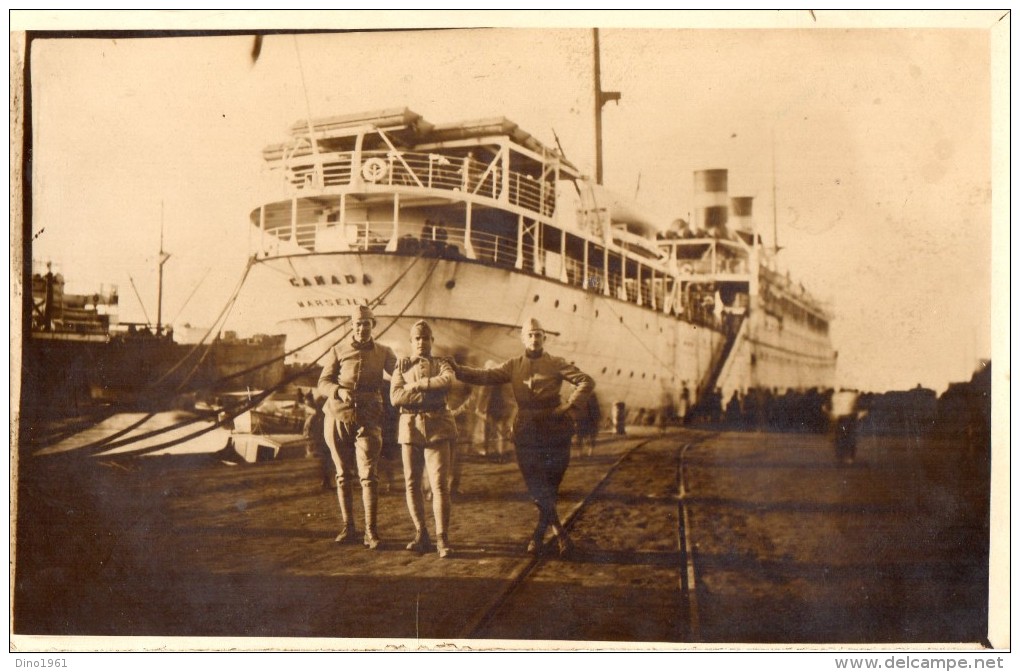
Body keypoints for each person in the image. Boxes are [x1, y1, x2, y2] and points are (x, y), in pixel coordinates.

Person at [450, 317, 594, 558]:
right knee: (535, 485)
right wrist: (457, 370)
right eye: (530, 335)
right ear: (523, 338)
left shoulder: (557, 363)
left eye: (538, 335)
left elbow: (586, 381)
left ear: (544, 338)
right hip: (526, 430)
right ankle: (559, 533)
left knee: (551, 485)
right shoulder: (513, 365)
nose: (534, 339)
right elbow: (485, 376)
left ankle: (538, 534)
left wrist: (568, 405)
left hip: (555, 429)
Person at [317, 304, 397, 550]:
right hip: (337, 415)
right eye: (358, 324)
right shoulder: (338, 350)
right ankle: (349, 527)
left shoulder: (384, 352)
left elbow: (400, 374)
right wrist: (338, 391)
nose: (362, 328)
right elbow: (323, 382)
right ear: (352, 326)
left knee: (369, 475)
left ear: (374, 325)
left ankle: (371, 531)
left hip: (369, 417)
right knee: (342, 474)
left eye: (366, 324)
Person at [390, 320, 458, 558]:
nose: (421, 342)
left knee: (440, 484)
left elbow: (448, 381)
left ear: (432, 341)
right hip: (410, 429)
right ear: (411, 342)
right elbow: (395, 397)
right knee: (412, 482)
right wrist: (430, 396)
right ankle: (421, 533)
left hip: (438, 427)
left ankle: (442, 538)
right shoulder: (401, 366)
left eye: (425, 338)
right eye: (416, 339)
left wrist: (418, 385)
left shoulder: (442, 363)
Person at [828, 389, 866, 465]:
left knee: (839, 438)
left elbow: (827, 408)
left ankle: (840, 457)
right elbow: (862, 409)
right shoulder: (854, 395)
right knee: (850, 438)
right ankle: (850, 458)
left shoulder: (835, 395)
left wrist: (832, 415)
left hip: (838, 418)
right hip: (850, 417)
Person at [574, 392, 600, 458]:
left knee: (589, 436)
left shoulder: (590, 395)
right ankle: (581, 453)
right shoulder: (577, 395)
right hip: (582, 419)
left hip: (588, 419)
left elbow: (596, 408)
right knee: (580, 436)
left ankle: (589, 452)